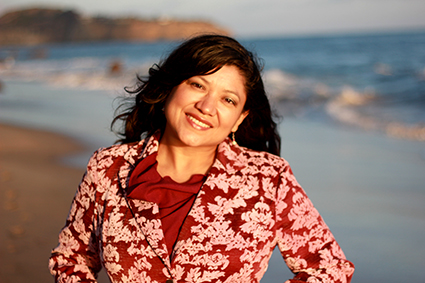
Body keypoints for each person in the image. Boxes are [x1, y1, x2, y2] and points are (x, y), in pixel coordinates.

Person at [49, 34, 354, 283]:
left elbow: (329, 269)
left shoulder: (269, 179)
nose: (207, 106)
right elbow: (72, 258)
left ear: (239, 118)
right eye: (197, 85)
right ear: (170, 88)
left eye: (228, 99)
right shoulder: (108, 168)